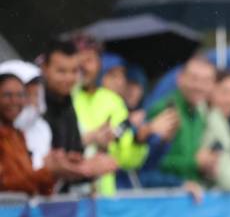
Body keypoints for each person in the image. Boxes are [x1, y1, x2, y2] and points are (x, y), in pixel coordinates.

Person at [41, 38, 116, 190]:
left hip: (62, 201)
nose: (68, 78)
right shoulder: (32, 106)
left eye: (74, 71)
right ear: (45, 68)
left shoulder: (68, 105)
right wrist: (81, 169)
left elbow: (74, 155)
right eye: (61, 71)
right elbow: (33, 165)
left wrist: (90, 168)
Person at [72, 42, 146, 194]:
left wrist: (139, 140)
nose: (119, 82)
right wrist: (89, 139)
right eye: (113, 75)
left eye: (89, 60)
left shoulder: (113, 101)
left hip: (102, 197)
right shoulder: (64, 97)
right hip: (67, 194)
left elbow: (125, 160)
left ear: (100, 64)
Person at [0, 73, 87, 194]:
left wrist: (63, 167)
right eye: (7, 95)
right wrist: (50, 170)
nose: (14, 101)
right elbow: (8, 185)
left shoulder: (18, 135)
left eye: (20, 95)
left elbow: (30, 183)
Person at [145, 55, 216, 183]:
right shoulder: (166, 110)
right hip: (163, 197)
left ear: (212, 85)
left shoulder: (199, 115)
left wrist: (207, 171)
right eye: (194, 78)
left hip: (188, 198)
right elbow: (150, 163)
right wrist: (194, 163)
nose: (199, 86)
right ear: (180, 78)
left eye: (206, 81)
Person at [0, 60, 51, 169]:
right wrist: (51, 171)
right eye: (26, 95)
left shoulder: (42, 129)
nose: (33, 103)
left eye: (36, 95)